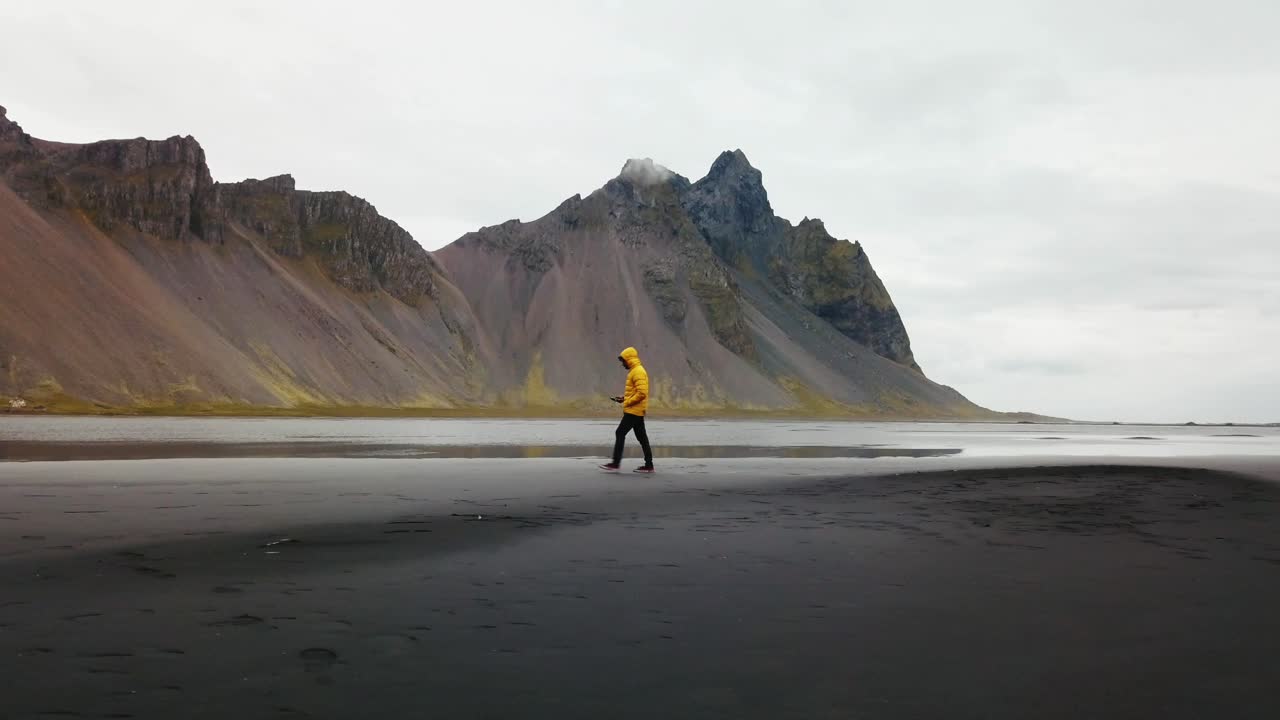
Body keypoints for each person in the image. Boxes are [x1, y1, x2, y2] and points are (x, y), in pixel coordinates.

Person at [600, 346, 654, 473]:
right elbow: (636, 392)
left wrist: (628, 403)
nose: (622, 364)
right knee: (642, 437)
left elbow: (642, 393)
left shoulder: (638, 372)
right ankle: (649, 465)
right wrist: (624, 398)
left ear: (629, 359)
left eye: (623, 361)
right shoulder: (635, 371)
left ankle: (615, 463)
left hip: (634, 411)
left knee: (620, 433)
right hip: (636, 410)